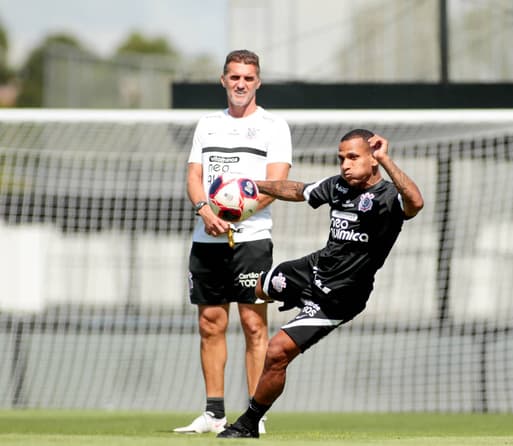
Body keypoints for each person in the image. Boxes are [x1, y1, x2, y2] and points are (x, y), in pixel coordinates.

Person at [217, 129, 424, 438]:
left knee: (276, 353)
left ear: (372, 158)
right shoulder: (338, 187)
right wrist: (253, 184)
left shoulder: (389, 198)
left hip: (340, 296)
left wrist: (387, 159)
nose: (345, 165)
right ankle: (295, 302)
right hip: (312, 270)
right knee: (258, 288)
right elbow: (297, 190)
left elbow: (416, 203)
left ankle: (249, 423)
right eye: (341, 159)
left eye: (353, 157)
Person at [174, 49, 292, 435]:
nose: (240, 84)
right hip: (206, 237)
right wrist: (205, 210)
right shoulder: (207, 125)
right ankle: (213, 414)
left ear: (258, 82)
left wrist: (232, 214)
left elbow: (276, 184)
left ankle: (254, 417)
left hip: (252, 240)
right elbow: (194, 176)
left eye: (248, 77)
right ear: (223, 80)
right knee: (210, 323)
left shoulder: (275, 127)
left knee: (254, 326)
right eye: (234, 77)